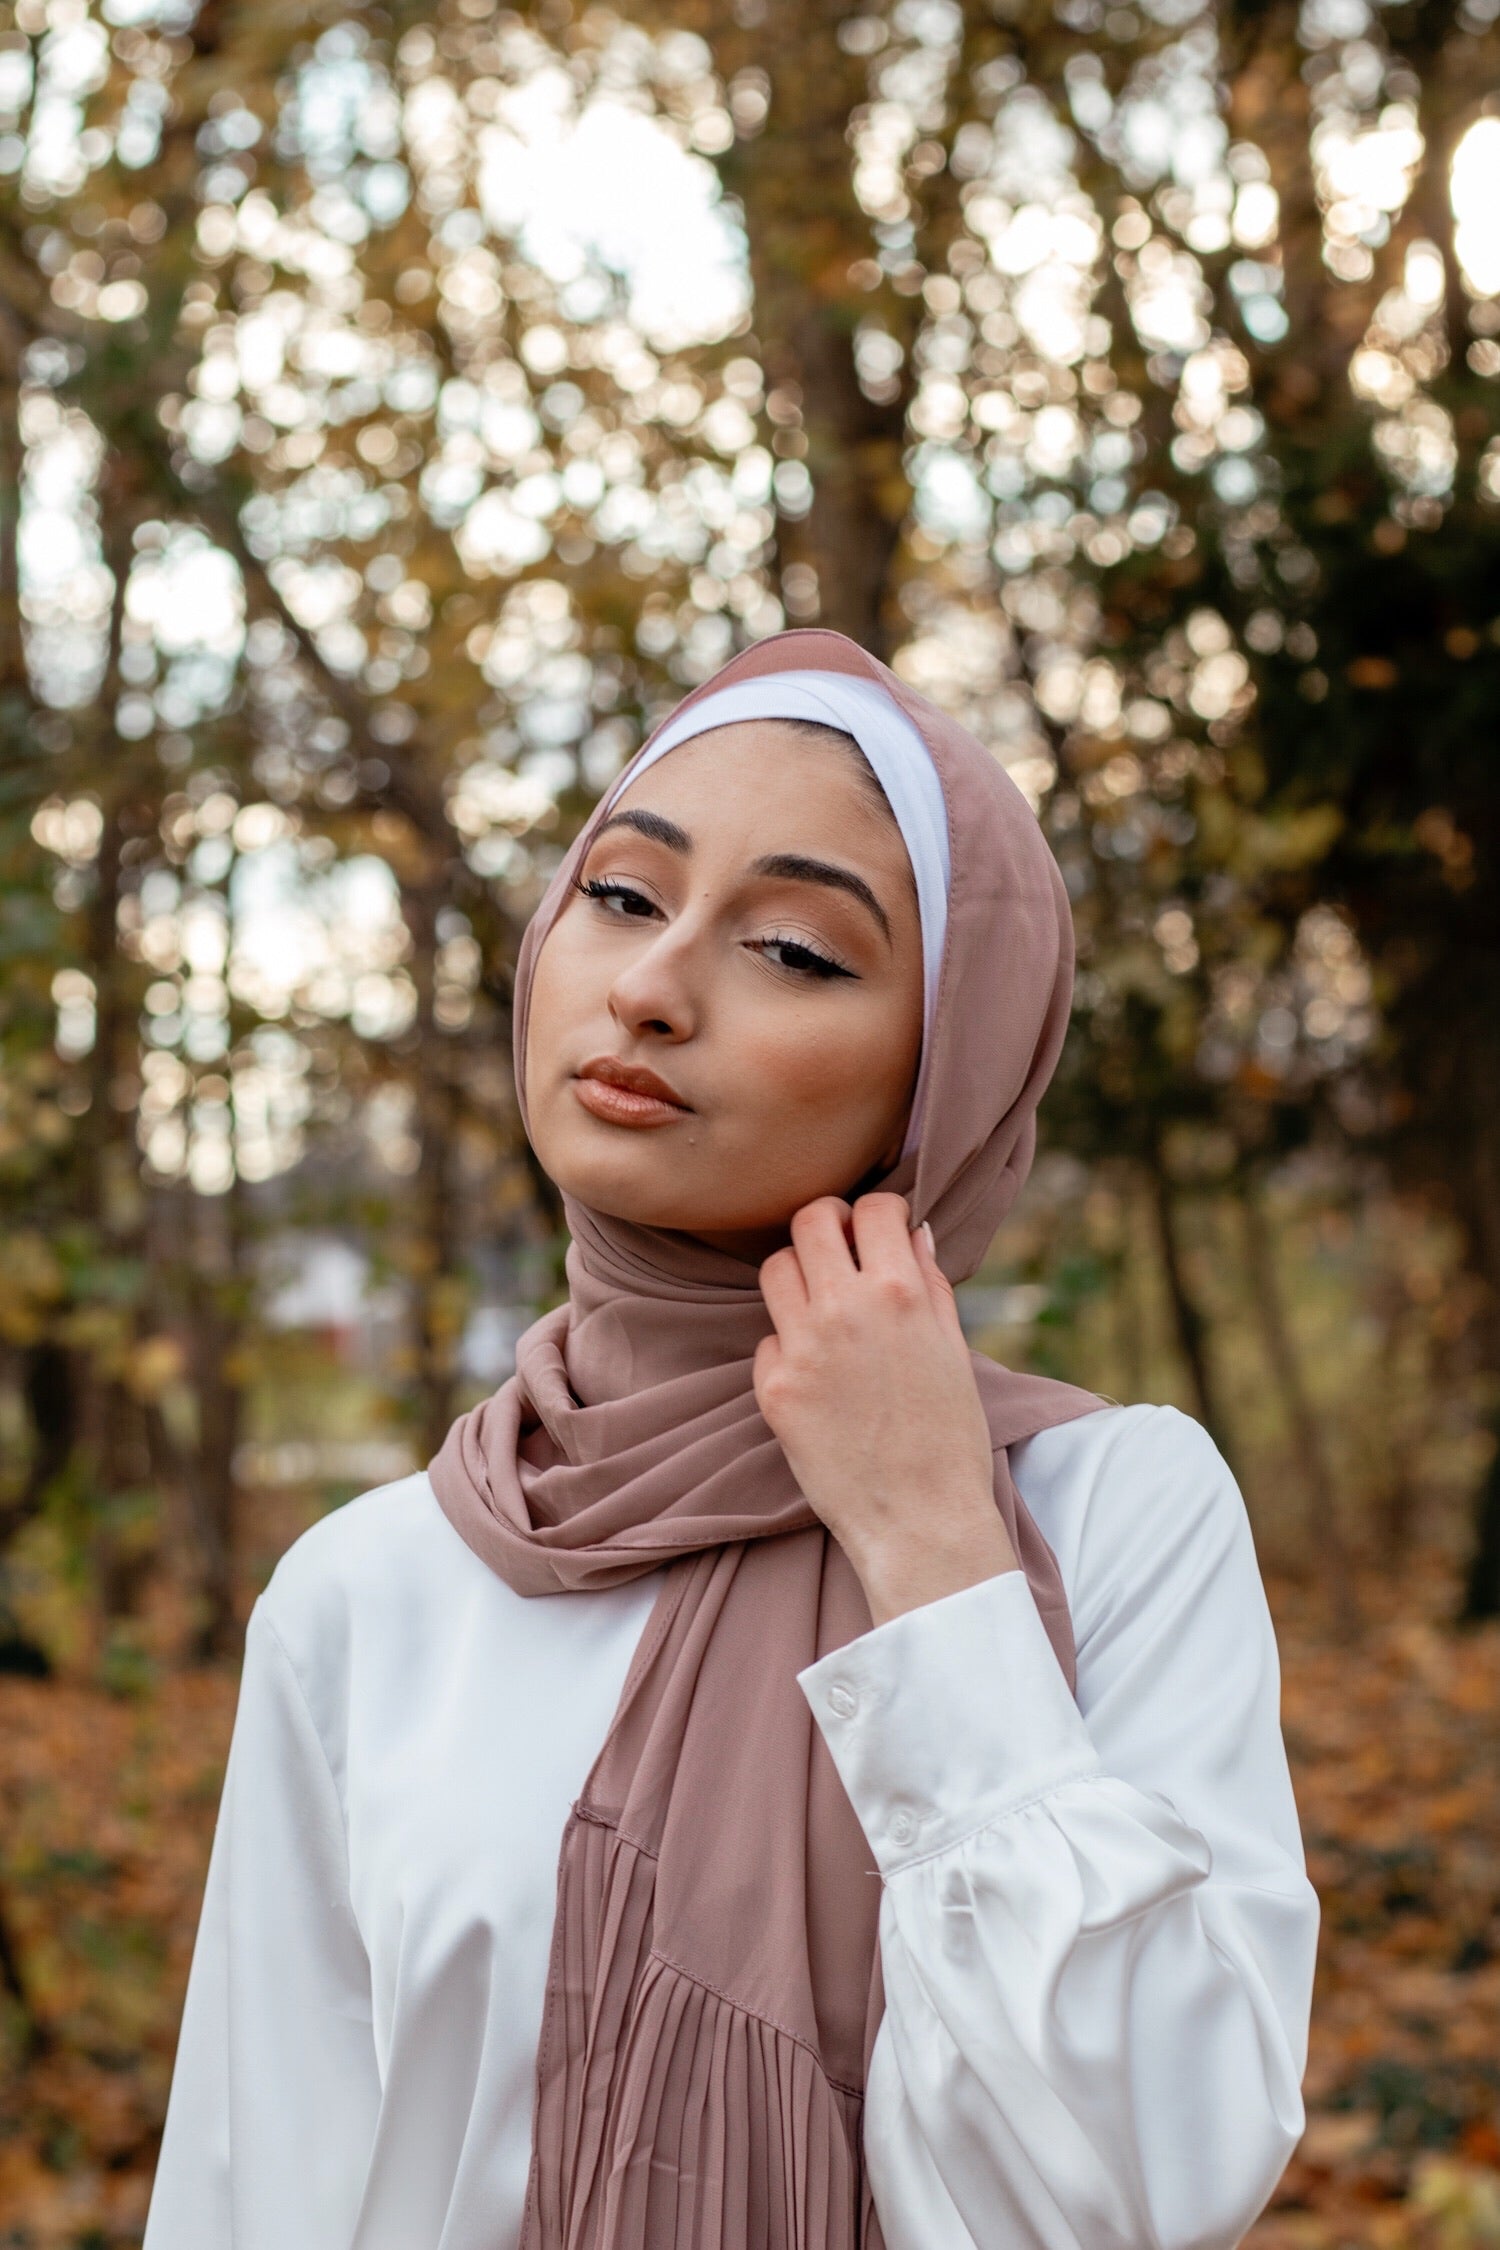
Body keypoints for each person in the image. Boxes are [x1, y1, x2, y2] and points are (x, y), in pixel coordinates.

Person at [142, 628, 1319, 2250]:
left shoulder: (1107, 1509)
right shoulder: (369, 1590)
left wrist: (931, 1547)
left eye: (793, 949)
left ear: (947, 1072)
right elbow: (257, 2183)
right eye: (622, 896)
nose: (646, 985)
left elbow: (1139, 2184)